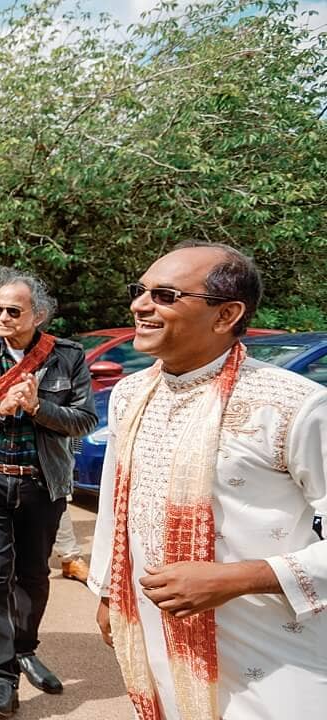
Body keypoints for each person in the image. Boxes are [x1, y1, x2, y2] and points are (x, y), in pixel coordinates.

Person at [89, 243, 327, 720]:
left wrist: (237, 579)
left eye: (164, 295)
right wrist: (110, 592)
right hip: (160, 634)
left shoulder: (294, 406)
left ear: (227, 315)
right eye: (140, 291)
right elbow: (117, 504)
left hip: (273, 646)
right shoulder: (130, 394)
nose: (140, 305)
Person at [0, 269, 97, 717]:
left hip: (41, 482)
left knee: (33, 576)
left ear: (39, 314)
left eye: (14, 310)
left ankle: (26, 648)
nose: (3, 317)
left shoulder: (67, 357)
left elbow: (84, 420)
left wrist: (37, 407)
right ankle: (1, 675)